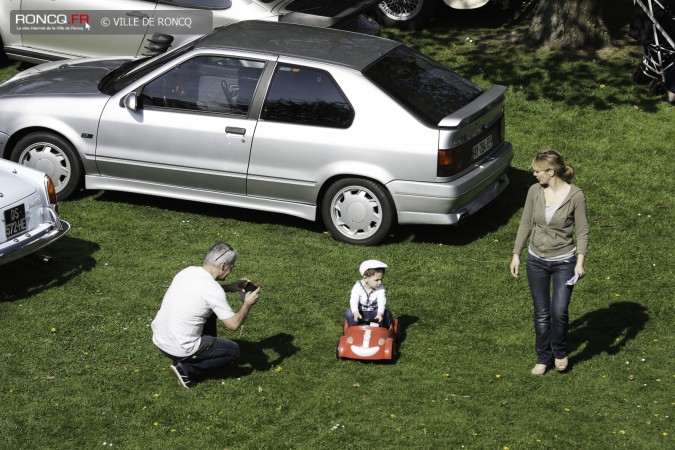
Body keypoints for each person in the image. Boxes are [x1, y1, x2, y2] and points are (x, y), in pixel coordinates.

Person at [510, 149, 589, 375]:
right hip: (536, 261)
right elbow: (525, 223)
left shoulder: (575, 196)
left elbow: (583, 231)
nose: (534, 175)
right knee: (542, 312)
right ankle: (543, 357)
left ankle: (560, 352)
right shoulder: (535, 191)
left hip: (564, 262)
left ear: (551, 172)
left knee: (560, 311)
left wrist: (580, 262)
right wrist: (516, 253)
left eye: (537, 171)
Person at [151, 242, 260, 388]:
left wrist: (231, 287)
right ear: (223, 266)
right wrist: (247, 304)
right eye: (231, 267)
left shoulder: (188, 271)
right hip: (179, 348)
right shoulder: (213, 290)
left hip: (160, 339)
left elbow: (203, 293)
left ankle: (196, 355)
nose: (230, 272)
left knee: (211, 313)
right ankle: (186, 368)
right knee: (234, 351)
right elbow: (233, 325)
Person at [345, 260, 392, 328]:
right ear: (365, 279)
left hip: (374, 311)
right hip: (360, 311)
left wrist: (380, 314)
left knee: (386, 313)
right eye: (377, 280)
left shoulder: (380, 288)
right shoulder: (358, 287)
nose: (380, 282)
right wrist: (356, 313)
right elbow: (354, 300)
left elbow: (382, 301)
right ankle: (354, 329)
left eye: (381, 279)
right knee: (349, 313)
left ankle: (384, 330)